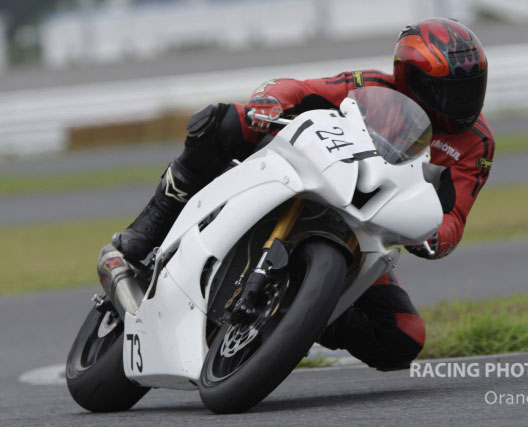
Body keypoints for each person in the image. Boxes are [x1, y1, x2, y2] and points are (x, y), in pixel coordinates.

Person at [111, 18, 494, 371]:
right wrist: (270, 101)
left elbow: (454, 217)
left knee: (404, 336)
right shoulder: (373, 87)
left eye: (469, 89)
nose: (460, 102)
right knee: (223, 121)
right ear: (408, 78)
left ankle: (301, 319)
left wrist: (432, 237)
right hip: (314, 181)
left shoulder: (477, 143)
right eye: (446, 91)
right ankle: (148, 229)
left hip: (364, 233)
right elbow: (303, 89)